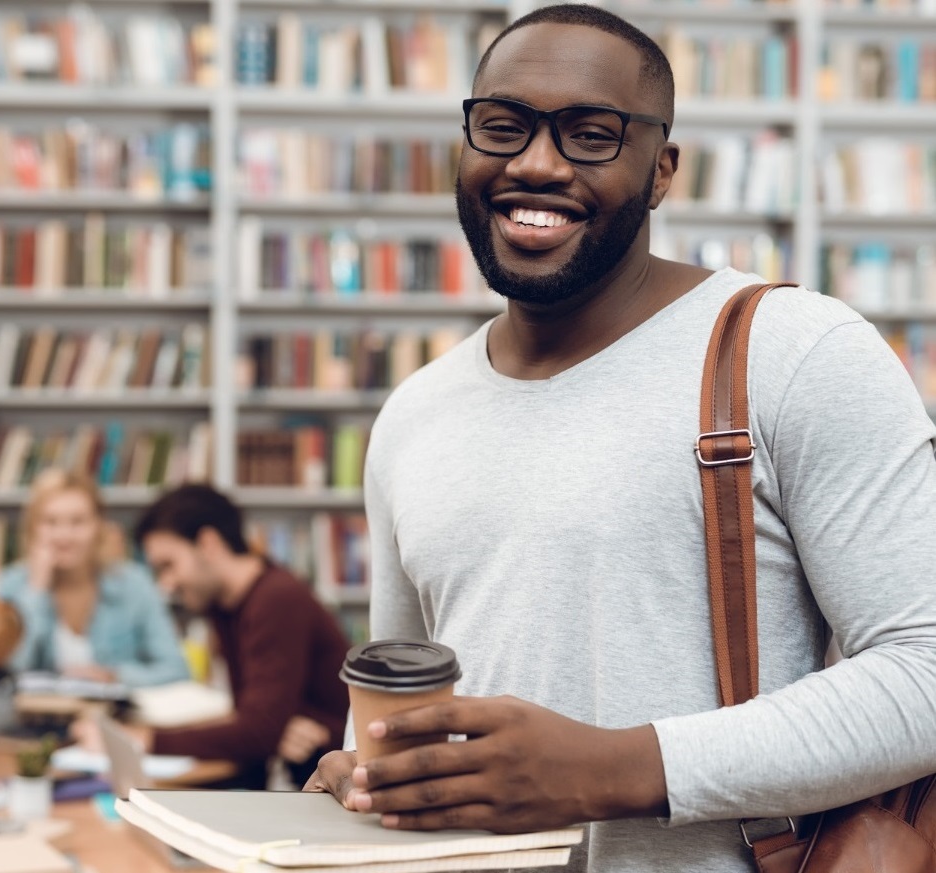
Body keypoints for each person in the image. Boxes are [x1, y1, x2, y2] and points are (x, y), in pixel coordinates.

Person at [305, 5, 936, 872]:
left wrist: (617, 767)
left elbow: (926, 671)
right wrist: (371, 780)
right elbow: (400, 706)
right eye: (503, 126)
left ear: (661, 170)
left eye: (590, 135)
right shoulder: (413, 413)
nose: (534, 162)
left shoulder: (796, 351)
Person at [121, 483, 351, 789]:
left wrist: (148, 739)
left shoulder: (276, 598)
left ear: (208, 543)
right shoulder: (225, 607)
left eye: (169, 565)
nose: (166, 584)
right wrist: (269, 726)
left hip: (334, 786)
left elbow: (257, 731)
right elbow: (254, 719)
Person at [0, 469, 189, 687]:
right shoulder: (11, 585)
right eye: (50, 522)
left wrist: (115, 676)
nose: (64, 536)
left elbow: (176, 670)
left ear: (98, 527)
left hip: (116, 718)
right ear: (33, 528)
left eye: (77, 522)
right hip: (37, 719)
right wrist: (36, 590)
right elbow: (7, 672)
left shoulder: (134, 584)